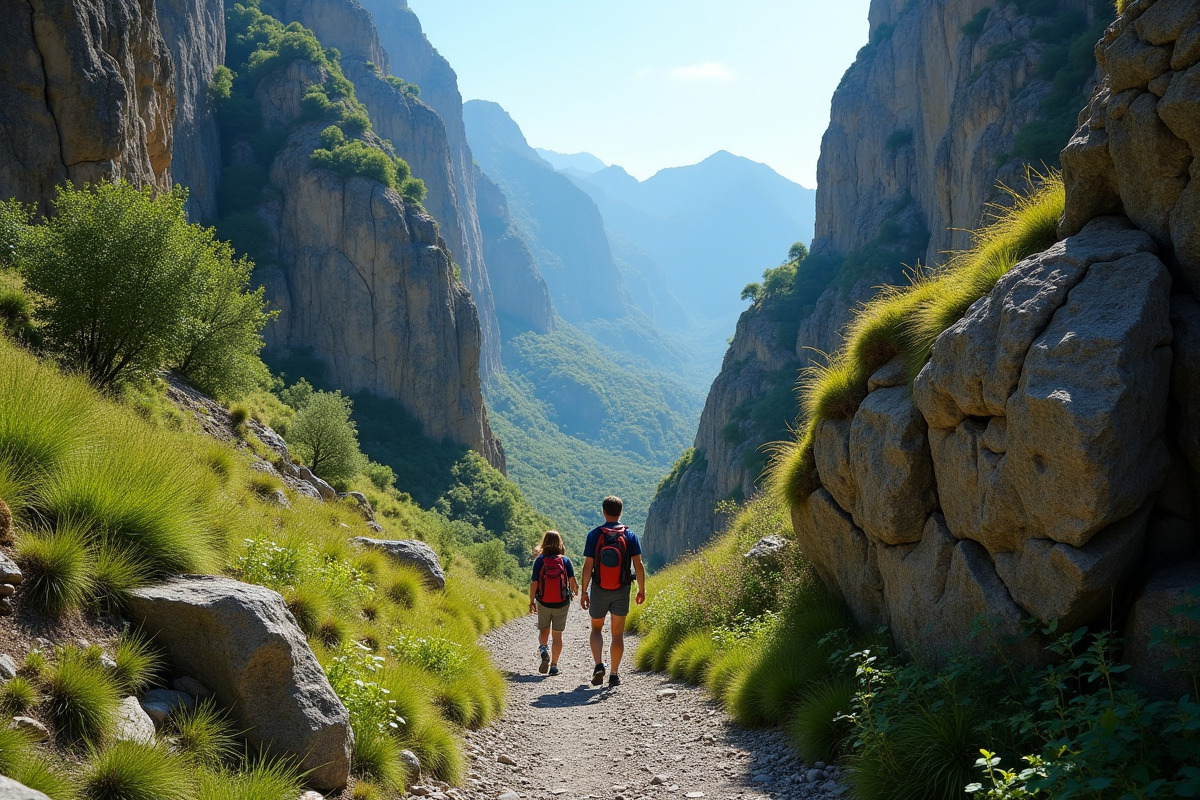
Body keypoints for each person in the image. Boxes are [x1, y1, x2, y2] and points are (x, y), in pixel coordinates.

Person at [579, 496, 646, 687]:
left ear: (603, 511)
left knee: (597, 629)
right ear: (621, 512)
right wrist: (641, 589)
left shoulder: (594, 535)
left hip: (599, 588)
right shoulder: (630, 536)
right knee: (617, 633)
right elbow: (638, 566)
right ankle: (614, 674)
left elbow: (587, 566)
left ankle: (599, 664)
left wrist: (584, 592)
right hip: (622, 589)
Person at [529, 530, 578, 676]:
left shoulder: (540, 560)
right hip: (561, 603)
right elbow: (573, 583)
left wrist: (531, 601)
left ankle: (544, 650)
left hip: (544, 602)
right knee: (557, 636)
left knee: (544, 630)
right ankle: (554, 666)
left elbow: (534, 583)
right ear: (560, 543)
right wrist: (575, 591)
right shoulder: (565, 560)